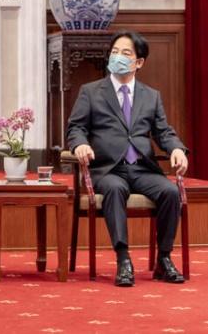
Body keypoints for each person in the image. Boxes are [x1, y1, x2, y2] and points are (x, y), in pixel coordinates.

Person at [67, 31, 188, 286]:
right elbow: (76, 128)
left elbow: (163, 132)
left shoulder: (150, 95)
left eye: (126, 53)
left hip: (143, 168)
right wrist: (80, 144)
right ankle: (123, 258)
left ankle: (163, 259)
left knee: (170, 192)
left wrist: (176, 149)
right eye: (114, 52)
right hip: (108, 169)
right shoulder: (91, 92)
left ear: (139, 62)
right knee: (115, 189)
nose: (118, 57)